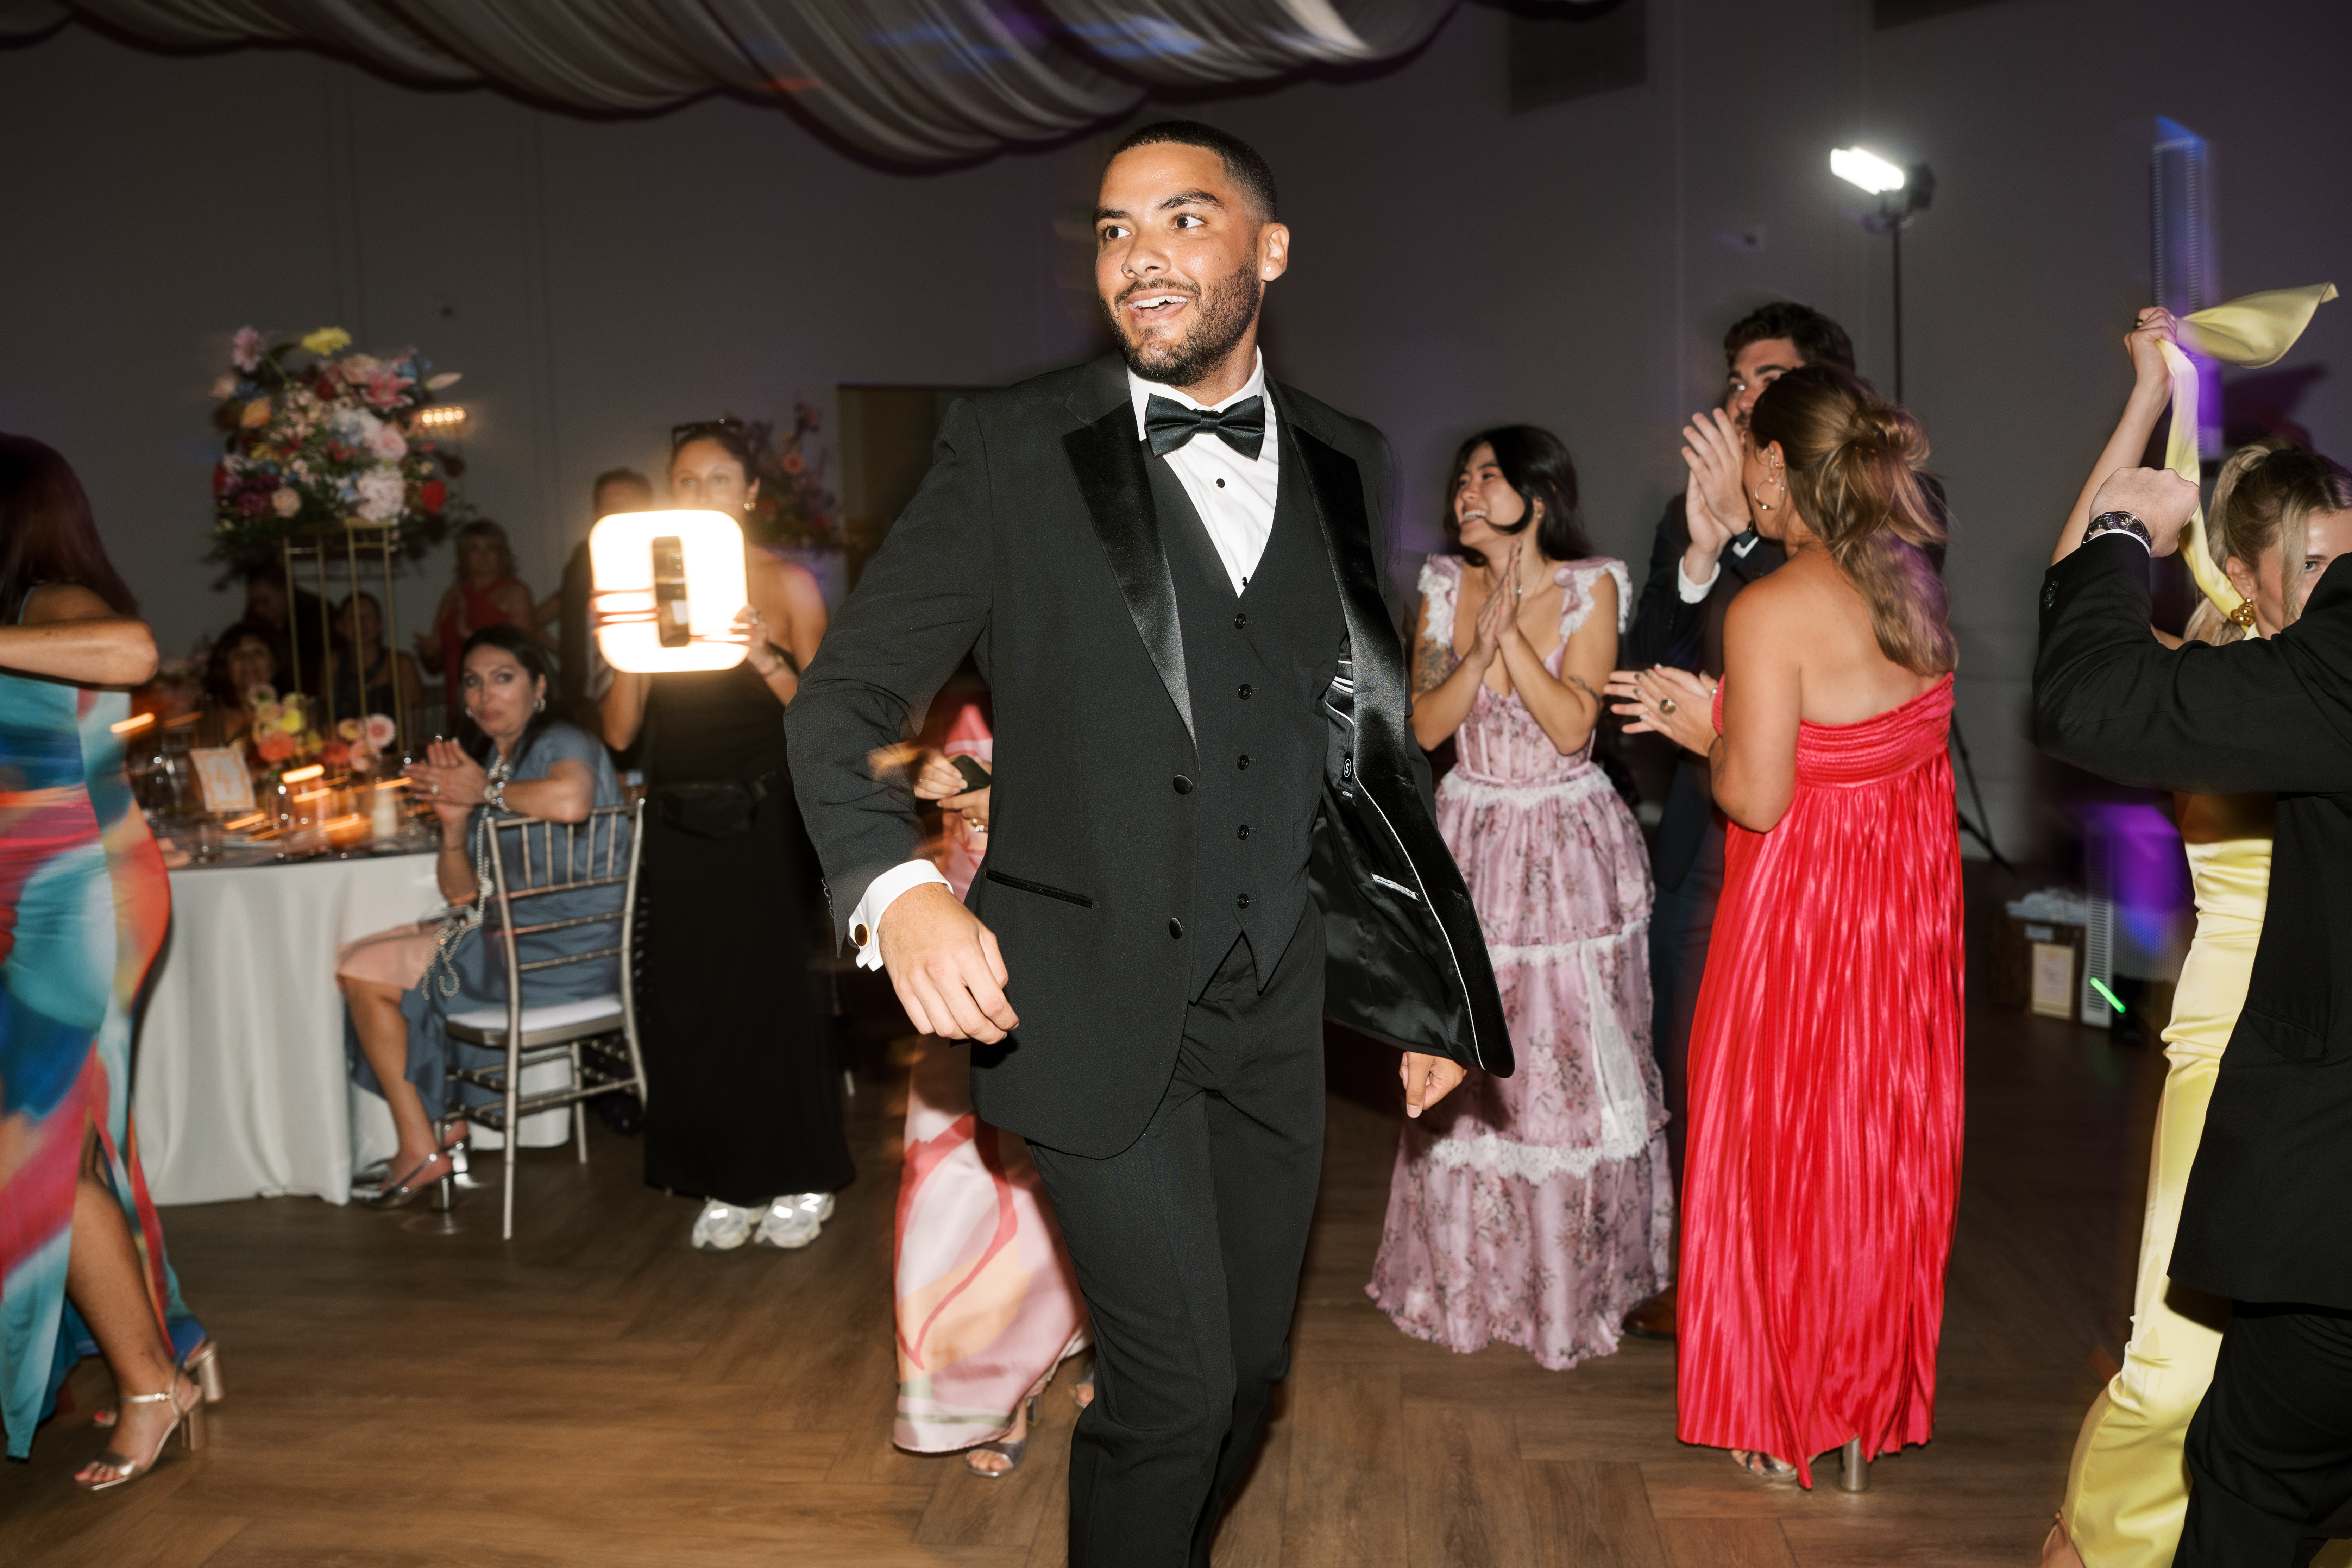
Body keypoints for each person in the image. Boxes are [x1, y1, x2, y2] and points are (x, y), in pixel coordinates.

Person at [786, 120, 1505, 1568]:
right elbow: (844, 698)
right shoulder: (1008, 447)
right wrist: (898, 887)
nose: (1139, 258)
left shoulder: (1346, 458)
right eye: (1114, 231)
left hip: (1271, 1007)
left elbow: (1358, 744)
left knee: (1243, 1380)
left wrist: (1421, 985)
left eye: (1182, 221)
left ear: (1268, 249)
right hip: (1083, 1001)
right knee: (1169, 1391)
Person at [1608, 362, 1963, 1488]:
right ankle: (1858, 1410)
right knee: (1872, 1159)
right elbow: (1864, 745)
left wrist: (1693, 727)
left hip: (1801, 923)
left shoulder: (1767, 607)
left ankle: (1778, 1404)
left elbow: (1756, 797)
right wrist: (1729, 716)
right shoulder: (1910, 580)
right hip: (1901, 923)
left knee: (1779, 1157)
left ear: (1771, 464)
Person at [2042, 314, 2352, 1568]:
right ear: (2243, 566)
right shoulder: (2218, 665)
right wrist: (2143, 407)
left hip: (2322, 1071)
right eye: (2316, 555)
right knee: (2174, 1363)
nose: (2338, 572)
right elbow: (2082, 606)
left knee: (2269, 1395)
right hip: (2233, 1044)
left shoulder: (2312, 677)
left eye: (2345, 548)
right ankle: (2093, 1542)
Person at [1365, 427, 1670, 1369]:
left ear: (1536, 496)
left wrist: (1514, 643)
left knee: (1568, 1061)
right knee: (1467, 1055)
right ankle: (1469, 1280)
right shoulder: (1440, 587)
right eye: (1460, 476)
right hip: (1473, 833)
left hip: (1565, 840)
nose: (1465, 488)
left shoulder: (1593, 584)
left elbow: (1575, 723)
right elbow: (1422, 725)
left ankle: (1572, 1289)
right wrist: (1478, 640)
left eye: (1487, 475)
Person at [1615, 299, 1854, 1343]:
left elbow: (1831, 615)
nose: (1737, 394)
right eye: (1733, 376)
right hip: (1703, 825)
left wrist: (1745, 541)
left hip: (1808, 827)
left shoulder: (1870, 500)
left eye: (1760, 377)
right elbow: (1650, 648)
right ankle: (1693, 1263)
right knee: (1681, 1045)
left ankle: (1776, 1273)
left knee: (1780, 1068)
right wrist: (1703, 550)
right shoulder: (1695, 505)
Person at [0, 433, 216, 1490]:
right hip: (41, 899)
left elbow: (134, 656)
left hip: (80, 903)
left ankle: (150, 1382)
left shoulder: (51, 603)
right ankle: (165, 1349)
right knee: (71, 1142)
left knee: (32, 1145)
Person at [601, 420, 849, 1252]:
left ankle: (799, 1169)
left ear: (747, 493)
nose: (698, 493)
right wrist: (622, 643)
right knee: (692, 1002)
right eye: (685, 480)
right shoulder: (650, 583)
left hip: (764, 817)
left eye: (716, 480)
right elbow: (620, 732)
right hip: (678, 817)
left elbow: (828, 723)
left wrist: (766, 657)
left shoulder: (786, 582)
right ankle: (725, 1175)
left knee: (771, 998)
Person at [337, 625, 622, 1205]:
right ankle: (437, 1132)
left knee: (365, 972)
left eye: (503, 678)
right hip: (513, 936)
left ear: (538, 686)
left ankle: (423, 1146)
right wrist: (453, 822)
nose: (486, 695)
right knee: (364, 959)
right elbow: (464, 896)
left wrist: (482, 793)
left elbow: (571, 803)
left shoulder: (561, 739)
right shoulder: (495, 758)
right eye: (473, 682)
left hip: (564, 948)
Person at [897, 704, 1094, 1476]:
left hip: (1079, 948)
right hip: (959, 961)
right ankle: (988, 1388)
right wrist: (908, 770)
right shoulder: (940, 672)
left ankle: (1093, 1345)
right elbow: (842, 754)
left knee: (1082, 1174)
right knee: (957, 1190)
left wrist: (1009, 792)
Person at [540, 467, 654, 729]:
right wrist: (569, 665)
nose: (622, 514)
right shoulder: (584, 560)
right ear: (596, 516)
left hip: (647, 706)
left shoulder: (669, 560)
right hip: (583, 706)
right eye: (611, 506)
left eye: (632, 506)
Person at [416, 519, 536, 715]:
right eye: (474, 549)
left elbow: (524, 653)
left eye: (491, 549)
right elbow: (436, 663)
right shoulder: (453, 595)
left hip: (500, 704)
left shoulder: (515, 592)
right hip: (460, 705)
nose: (483, 556)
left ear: (503, 555)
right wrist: (429, 653)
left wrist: (469, 633)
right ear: (464, 557)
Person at [328, 591, 423, 733]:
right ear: (340, 626)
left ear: (380, 626)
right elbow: (326, 720)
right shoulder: (332, 664)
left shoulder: (400, 664)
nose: (361, 623)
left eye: (368, 617)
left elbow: (414, 725)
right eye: (352, 617)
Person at [195, 622, 281, 748]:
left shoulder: (293, 711)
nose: (248, 660)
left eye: (258, 653)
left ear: (275, 662)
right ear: (226, 667)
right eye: (238, 655)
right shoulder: (214, 720)